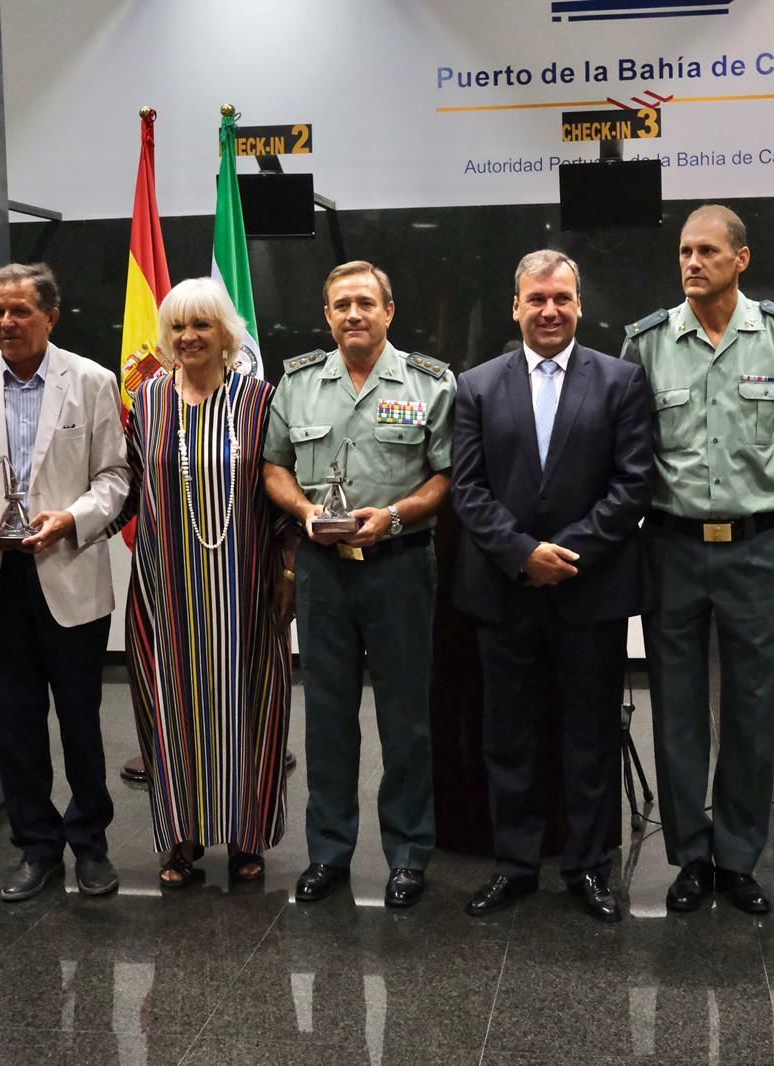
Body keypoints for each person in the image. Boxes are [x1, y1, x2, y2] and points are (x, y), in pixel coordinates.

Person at [622, 205, 774, 915]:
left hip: (755, 547)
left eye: (708, 250)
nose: (691, 263)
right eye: (684, 251)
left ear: (741, 259)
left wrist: (760, 502)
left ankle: (739, 855)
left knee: (750, 706)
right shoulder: (647, 343)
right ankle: (690, 855)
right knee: (677, 707)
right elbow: (627, 446)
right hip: (674, 545)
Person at [451, 250, 654, 923]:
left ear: (579, 305)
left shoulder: (621, 381)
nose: (549, 310)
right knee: (509, 736)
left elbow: (633, 485)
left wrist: (564, 554)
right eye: (536, 299)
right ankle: (513, 866)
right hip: (504, 592)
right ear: (516, 305)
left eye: (561, 299)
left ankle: (588, 868)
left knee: (589, 735)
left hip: (589, 592)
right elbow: (468, 488)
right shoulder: (476, 386)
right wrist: (520, 553)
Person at [262, 260, 454, 908]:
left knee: (406, 722)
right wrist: (307, 512)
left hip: (400, 567)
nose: (353, 314)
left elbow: (445, 477)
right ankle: (329, 853)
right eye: (341, 303)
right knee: (327, 719)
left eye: (365, 303)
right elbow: (274, 468)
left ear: (389, 310)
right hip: (323, 573)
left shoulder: (429, 384)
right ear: (327, 314)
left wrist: (395, 514)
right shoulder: (297, 383)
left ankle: (407, 855)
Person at [0, 262, 129, 901]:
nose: (6, 322)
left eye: (20, 311)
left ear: (51, 315)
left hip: (68, 572)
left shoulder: (94, 381)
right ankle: (35, 848)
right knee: (16, 724)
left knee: (79, 720)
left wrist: (70, 518)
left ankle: (91, 846)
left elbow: (115, 478)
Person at [111, 278, 293, 888]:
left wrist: (288, 571)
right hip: (165, 589)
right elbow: (123, 484)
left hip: (243, 585)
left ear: (226, 335)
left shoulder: (260, 399)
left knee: (249, 705)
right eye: (179, 327)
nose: (189, 337)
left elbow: (282, 484)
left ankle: (247, 836)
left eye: (202, 325)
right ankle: (181, 837)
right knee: (170, 707)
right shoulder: (149, 401)